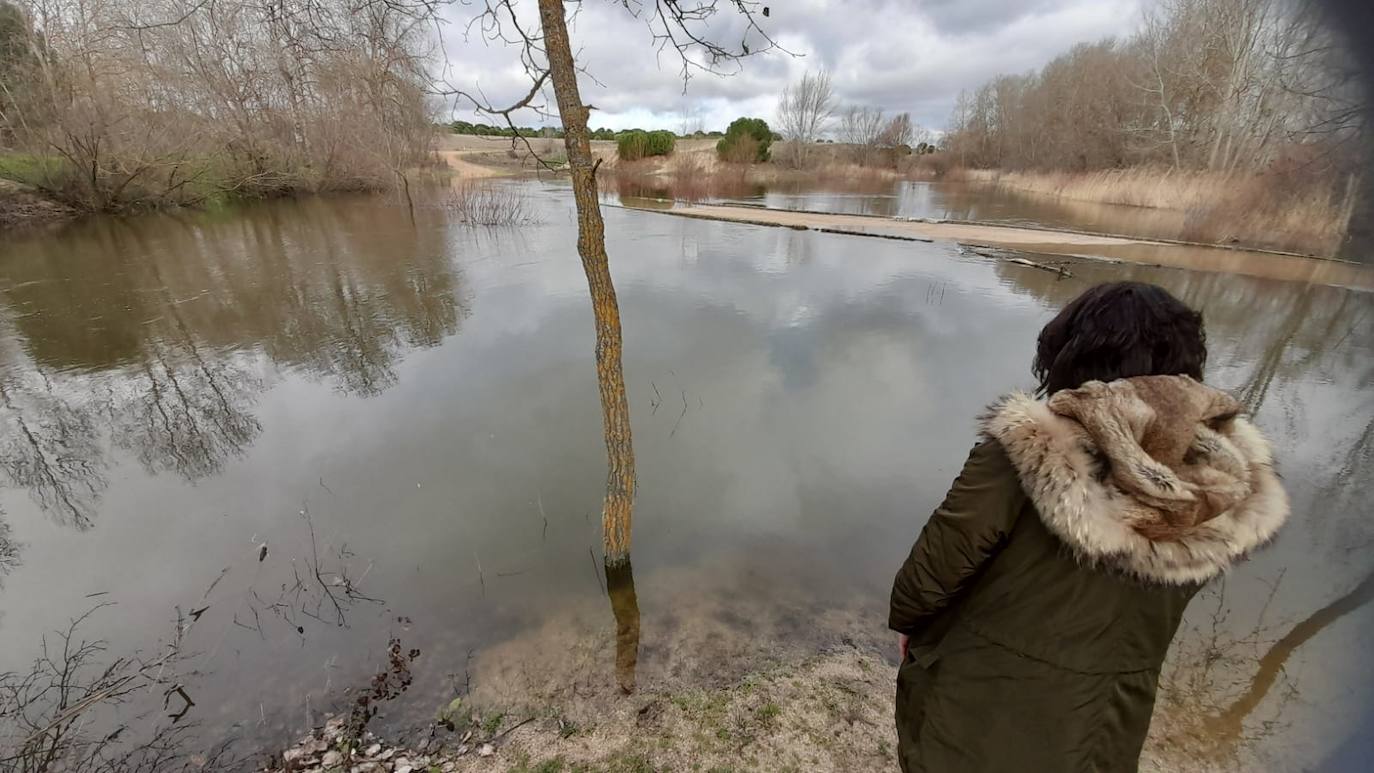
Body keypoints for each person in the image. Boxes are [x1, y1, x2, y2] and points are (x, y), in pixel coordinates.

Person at [888, 282, 1290, 772]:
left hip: (984, 701)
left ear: (1073, 354)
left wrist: (909, 622)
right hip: (1111, 717)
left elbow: (940, 563)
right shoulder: (1223, 480)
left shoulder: (1032, 450)